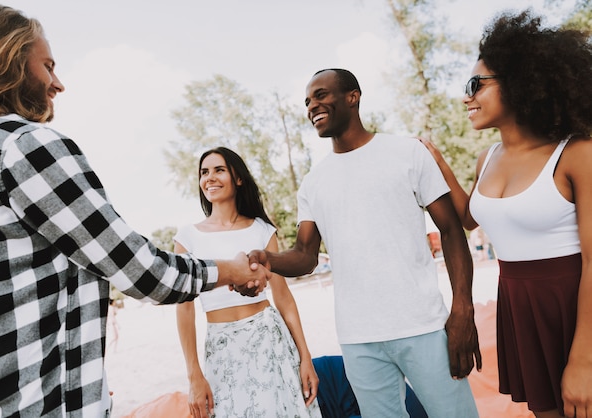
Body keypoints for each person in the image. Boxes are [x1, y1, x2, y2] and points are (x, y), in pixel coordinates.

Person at [0, 3, 270, 417]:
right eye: (48, 66)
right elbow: (139, 269)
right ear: (10, 61)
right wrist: (231, 271)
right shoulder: (22, 147)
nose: (58, 83)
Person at [249, 68, 481, 418]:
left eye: (322, 95)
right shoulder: (313, 182)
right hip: (358, 339)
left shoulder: (407, 152)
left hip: (423, 326)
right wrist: (268, 259)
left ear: (353, 97)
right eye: (308, 101)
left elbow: (451, 230)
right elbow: (305, 256)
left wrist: (463, 308)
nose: (312, 106)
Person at [418, 10, 592, 418]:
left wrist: (584, 360)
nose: (467, 96)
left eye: (476, 85)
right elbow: (469, 217)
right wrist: (438, 163)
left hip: (573, 304)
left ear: (520, 82)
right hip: (520, 305)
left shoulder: (577, 153)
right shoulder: (487, 157)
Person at [175, 147, 321, 418]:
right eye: (204, 172)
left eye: (219, 170)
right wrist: (194, 374)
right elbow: (184, 309)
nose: (210, 178)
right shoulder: (188, 237)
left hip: (271, 342)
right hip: (222, 350)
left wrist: (305, 357)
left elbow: (283, 297)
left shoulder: (262, 230)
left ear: (238, 178)